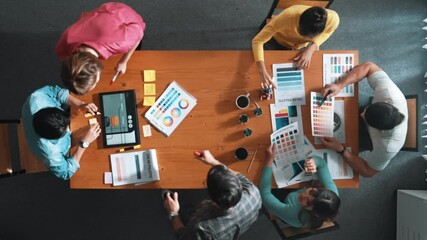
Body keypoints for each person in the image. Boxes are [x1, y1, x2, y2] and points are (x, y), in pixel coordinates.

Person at [320, 62, 408, 177]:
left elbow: (368, 171)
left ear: (380, 131)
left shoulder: (388, 147)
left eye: (364, 117)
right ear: (385, 102)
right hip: (368, 103)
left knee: (324, 144)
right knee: (332, 96)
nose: (361, 114)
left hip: (367, 136)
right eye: (365, 112)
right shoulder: (389, 94)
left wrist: (341, 150)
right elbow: (369, 67)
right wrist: (340, 85)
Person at [163, 150, 262, 240]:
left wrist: (173, 213)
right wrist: (213, 162)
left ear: (211, 196)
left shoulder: (201, 229)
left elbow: (183, 236)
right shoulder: (254, 193)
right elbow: (236, 176)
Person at [56, 2, 146, 95]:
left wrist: (123, 61)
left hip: (125, 18)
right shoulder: (65, 42)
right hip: (101, 14)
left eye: (95, 82)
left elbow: (138, 35)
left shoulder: (121, 42)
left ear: (98, 70)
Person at [22, 85, 101, 180]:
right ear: (52, 138)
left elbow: (56, 92)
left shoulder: (36, 98)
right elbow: (66, 172)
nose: (68, 128)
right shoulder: (51, 154)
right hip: (44, 147)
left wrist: (80, 104)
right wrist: (83, 144)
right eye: (65, 130)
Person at [252, 5, 339, 88]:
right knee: (255, 72)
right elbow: (258, 41)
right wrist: (262, 71)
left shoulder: (333, 19)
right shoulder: (287, 17)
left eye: (310, 37)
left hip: (298, 47)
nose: (305, 39)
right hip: (277, 40)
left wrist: (312, 48)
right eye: (301, 33)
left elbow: (327, 33)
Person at [260, 144, 340, 229]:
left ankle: (274, 212)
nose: (303, 195)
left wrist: (269, 160)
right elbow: (322, 164)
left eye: (308, 202)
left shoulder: (293, 215)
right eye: (311, 191)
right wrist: (314, 162)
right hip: (292, 193)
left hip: (284, 203)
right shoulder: (330, 196)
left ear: (313, 212)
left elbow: (264, 194)